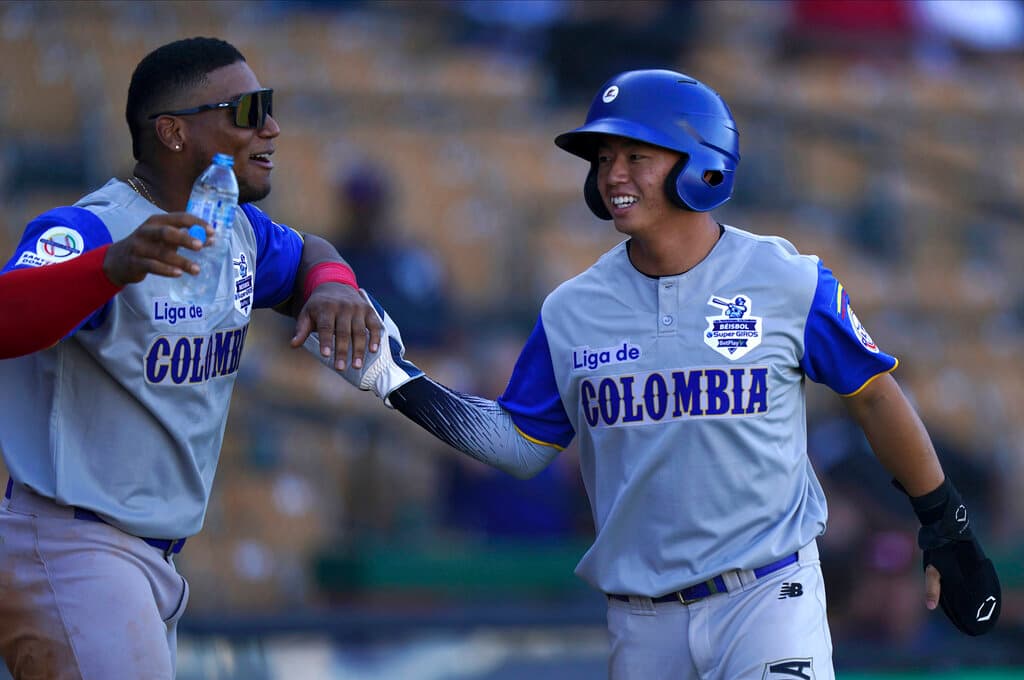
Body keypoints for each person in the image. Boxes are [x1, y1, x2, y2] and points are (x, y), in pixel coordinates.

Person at [318, 69, 1002, 679]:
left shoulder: (787, 280)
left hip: (766, 598)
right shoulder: (571, 310)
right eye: (605, 158)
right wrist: (394, 380)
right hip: (641, 623)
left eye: (636, 156)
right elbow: (521, 447)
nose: (614, 174)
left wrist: (946, 525)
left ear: (702, 159)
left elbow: (874, 396)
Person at [0, 36, 383, 679]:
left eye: (270, 106)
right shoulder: (93, 227)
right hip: (72, 545)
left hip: (140, 560)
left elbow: (307, 251)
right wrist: (109, 266)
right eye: (247, 109)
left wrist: (334, 286)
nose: (271, 127)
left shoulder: (234, 227)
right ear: (174, 132)